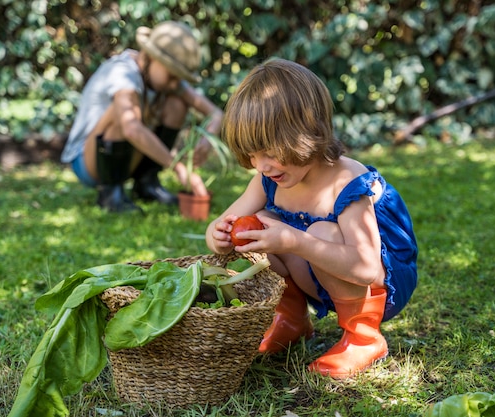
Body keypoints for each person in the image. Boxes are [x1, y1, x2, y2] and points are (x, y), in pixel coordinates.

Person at [205, 58, 418, 379]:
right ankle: (291, 319)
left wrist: (294, 240)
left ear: (307, 133)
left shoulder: (345, 182)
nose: (261, 165)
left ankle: (363, 337)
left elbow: (366, 267)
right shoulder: (267, 180)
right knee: (258, 224)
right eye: (252, 154)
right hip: (320, 276)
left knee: (318, 230)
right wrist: (219, 235)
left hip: (380, 285)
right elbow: (222, 226)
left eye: (270, 152)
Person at [60, 21, 223, 213]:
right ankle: (111, 194)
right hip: (88, 162)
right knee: (125, 113)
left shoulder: (166, 82)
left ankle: (146, 183)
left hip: (128, 157)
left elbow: (216, 113)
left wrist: (207, 139)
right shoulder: (123, 73)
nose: (175, 84)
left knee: (177, 102)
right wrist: (178, 168)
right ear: (151, 57)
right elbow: (131, 128)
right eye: (172, 76)